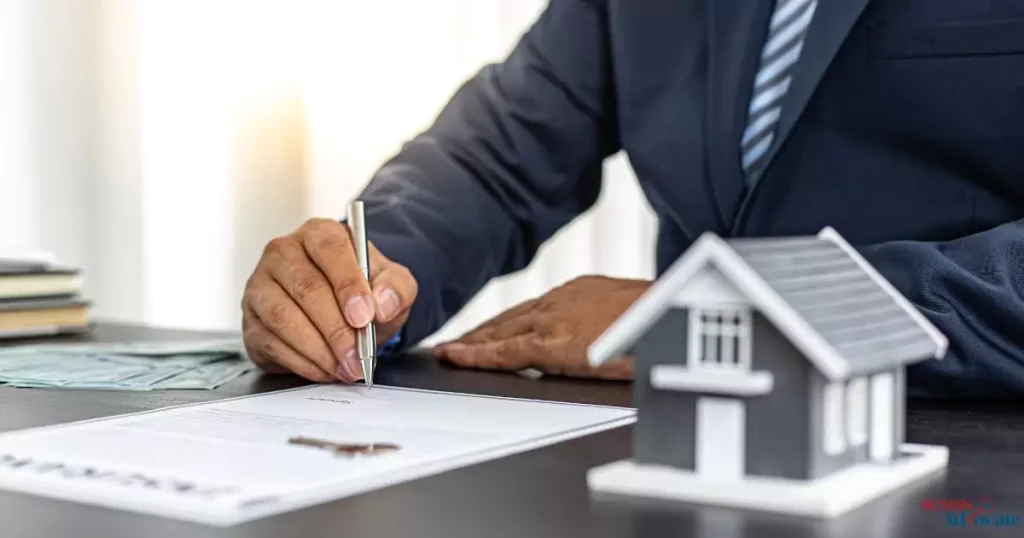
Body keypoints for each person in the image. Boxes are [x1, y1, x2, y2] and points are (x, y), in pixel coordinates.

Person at [241, 0, 1024, 398]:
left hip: (956, 454)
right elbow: (498, 153)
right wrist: (364, 277)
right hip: (673, 455)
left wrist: (721, 320)